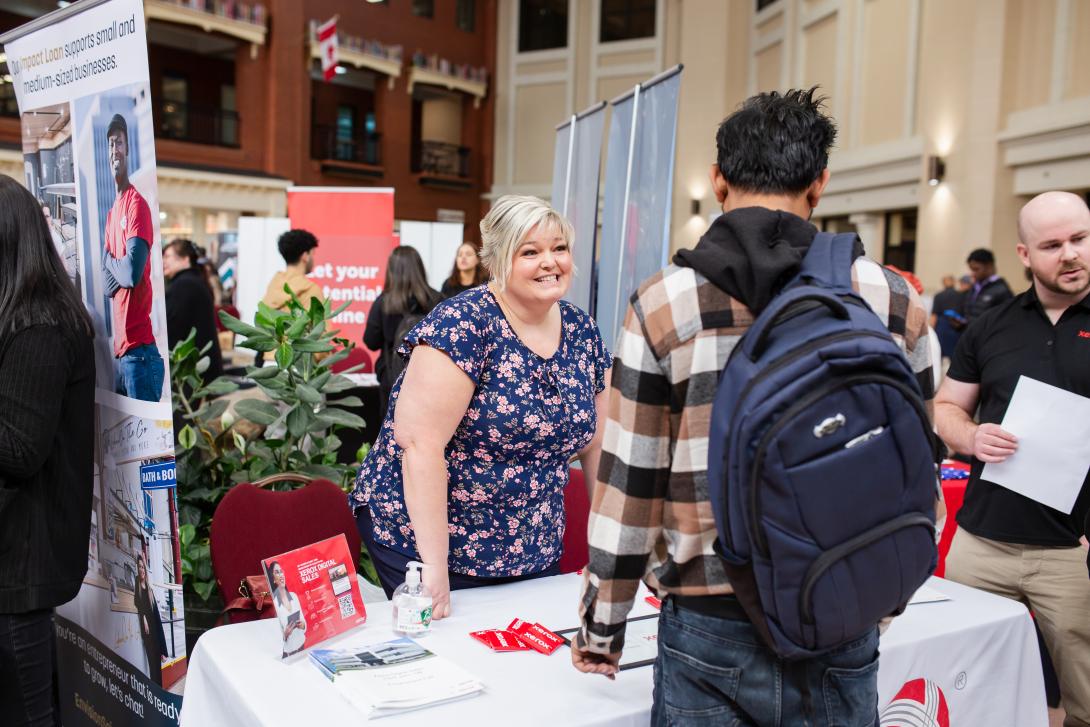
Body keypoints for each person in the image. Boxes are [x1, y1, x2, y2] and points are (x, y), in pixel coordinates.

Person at [570, 89, 937, 725]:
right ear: (819, 183)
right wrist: (882, 594)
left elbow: (630, 485)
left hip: (711, 613)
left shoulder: (665, 303)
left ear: (718, 181)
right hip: (839, 602)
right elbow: (917, 462)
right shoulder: (892, 299)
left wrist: (602, 626)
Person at [351, 195, 612, 616]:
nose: (550, 261)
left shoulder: (582, 331)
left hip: (531, 540)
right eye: (530, 252)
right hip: (428, 535)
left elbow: (600, 445)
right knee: (451, 663)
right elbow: (420, 446)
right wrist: (433, 568)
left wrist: (610, 548)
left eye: (559, 248)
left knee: (525, 660)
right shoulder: (463, 325)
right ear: (497, 261)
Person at [936, 191, 1090, 727]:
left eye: (1080, 239)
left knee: (1086, 699)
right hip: (982, 543)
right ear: (1025, 254)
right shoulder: (991, 324)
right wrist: (972, 437)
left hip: (1074, 551)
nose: (1070, 254)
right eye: (1053, 245)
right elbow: (945, 408)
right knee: (955, 680)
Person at [0, 174, 95, 726]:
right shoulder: (20, 314)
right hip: (14, 549)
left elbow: (18, 448)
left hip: (22, 557)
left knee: (27, 710)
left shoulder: (39, 326)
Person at [101, 114, 163, 402]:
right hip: (122, 355)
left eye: (120, 143)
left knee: (150, 449)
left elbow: (130, 275)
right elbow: (106, 286)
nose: (115, 150)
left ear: (128, 150)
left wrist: (111, 262)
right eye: (111, 144)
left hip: (140, 355)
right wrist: (117, 263)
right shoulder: (112, 213)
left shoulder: (136, 205)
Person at [364, 246, 442, 414]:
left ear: (391, 270)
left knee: (391, 431)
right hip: (429, 377)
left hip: (392, 376)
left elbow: (371, 341)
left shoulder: (384, 301)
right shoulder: (437, 299)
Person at [163, 239, 223, 383]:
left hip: (192, 370)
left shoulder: (184, 285)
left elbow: (172, 327)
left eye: (167, 256)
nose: (163, 261)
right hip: (200, 365)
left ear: (185, 259)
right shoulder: (192, 280)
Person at [261, 229, 323, 311]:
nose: (313, 258)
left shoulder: (274, 285)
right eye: (312, 254)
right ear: (305, 256)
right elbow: (320, 323)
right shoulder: (312, 291)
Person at [134, 552, 167, 687]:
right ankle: (156, 692)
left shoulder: (149, 590)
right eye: (139, 567)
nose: (141, 570)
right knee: (152, 666)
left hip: (155, 633)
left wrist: (163, 650)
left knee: (157, 668)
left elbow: (158, 620)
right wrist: (143, 617)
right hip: (147, 635)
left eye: (143, 567)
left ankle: (159, 691)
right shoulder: (137, 586)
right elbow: (137, 602)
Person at [961, 247, 1014, 327]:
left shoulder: (1002, 291)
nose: (972, 273)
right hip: (972, 335)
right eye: (971, 270)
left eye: (976, 269)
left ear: (989, 266)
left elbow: (1005, 321)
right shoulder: (974, 287)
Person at [268, 561, 306, 656]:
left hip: (303, 646)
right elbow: (274, 640)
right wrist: (285, 634)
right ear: (273, 579)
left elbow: (305, 626)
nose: (281, 575)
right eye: (277, 572)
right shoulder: (274, 604)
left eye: (281, 571)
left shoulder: (294, 596)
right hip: (289, 654)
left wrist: (302, 625)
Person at [931, 274, 963, 360]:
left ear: (943, 283)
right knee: (954, 357)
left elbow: (934, 315)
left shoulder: (938, 296)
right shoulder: (961, 295)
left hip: (941, 328)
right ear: (953, 282)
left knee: (938, 355)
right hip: (957, 328)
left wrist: (931, 331)